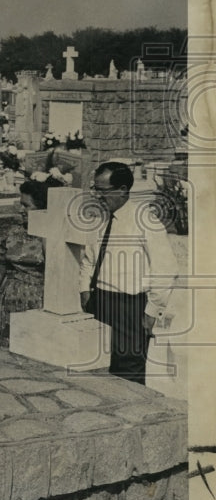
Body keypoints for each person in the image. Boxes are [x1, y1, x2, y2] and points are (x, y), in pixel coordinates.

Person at [80, 161, 176, 385]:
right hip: (99, 301)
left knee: (127, 372)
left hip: (129, 307)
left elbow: (166, 270)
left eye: (102, 191)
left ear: (122, 190)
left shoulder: (146, 221)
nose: (98, 196)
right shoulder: (100, 219)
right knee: (97, 368)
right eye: (95, 189)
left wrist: (151, 312)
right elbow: (89, 260)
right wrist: (85, 291)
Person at [0, 178, 52, 347]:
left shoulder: (52, 235)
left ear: (42, 208)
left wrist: (43, 232)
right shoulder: (14, 231)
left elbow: (54, 267)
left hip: (36, 302)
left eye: (26, 206)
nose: (21, 210)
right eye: (20, 204)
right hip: (7, 299)